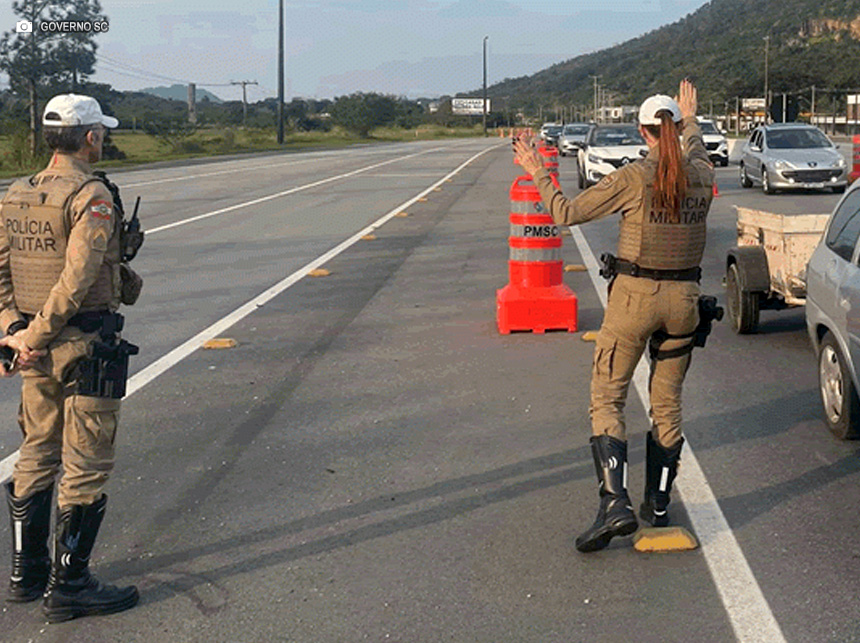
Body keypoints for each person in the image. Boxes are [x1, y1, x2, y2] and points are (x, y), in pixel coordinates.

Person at [513, 80, 714, 552]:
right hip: (684, 302)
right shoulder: (703, 175)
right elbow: (697, 149)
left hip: (633, 301)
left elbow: (564, 212)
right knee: (667, 404)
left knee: (608, 398)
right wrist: (691, 120)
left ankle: (614, 502)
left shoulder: (631, 178)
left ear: (643, 132)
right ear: (677, 129)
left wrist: (538, 169)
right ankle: (658, 506)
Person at [0, 94, 140, 621]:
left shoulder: (18, 194)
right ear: (90, 138)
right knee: (86, 461)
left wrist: (14, 333)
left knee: (36, 449)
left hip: (31, 351)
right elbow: (78, 279)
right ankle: (71, 584)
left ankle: (26, 573)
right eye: (99, 133)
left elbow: (2, 274)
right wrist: (36, 333)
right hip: (81, 345)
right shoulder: (92, 195)